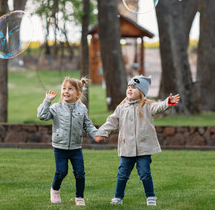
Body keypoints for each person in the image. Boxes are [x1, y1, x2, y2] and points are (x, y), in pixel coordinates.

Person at [95, 75, 180, 206]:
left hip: (143, 149)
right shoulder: (121, 108)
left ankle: (151, 197)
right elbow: (111, 122)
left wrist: (168, 102)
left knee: (145, 173)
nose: (130, 89)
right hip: (126, 149)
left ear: (141, 92)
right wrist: (101, 132)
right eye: (129, 87)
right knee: (122, 174)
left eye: (134, 88)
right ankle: (118, 198)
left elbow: (159, 107)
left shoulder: (147, 106)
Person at [37, 77, 98, 206]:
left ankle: (79, 197)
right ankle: (55, 190)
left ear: (78, 94)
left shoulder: (82, 109)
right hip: (60, 146)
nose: (66, 91)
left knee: (80, 173)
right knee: (61, 171)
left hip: (76, 147)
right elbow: (42, 116)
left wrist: (96, 135)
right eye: (64, 88)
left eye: (70, 89)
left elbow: (88, 125)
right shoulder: (56, 107)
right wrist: (47, 101)